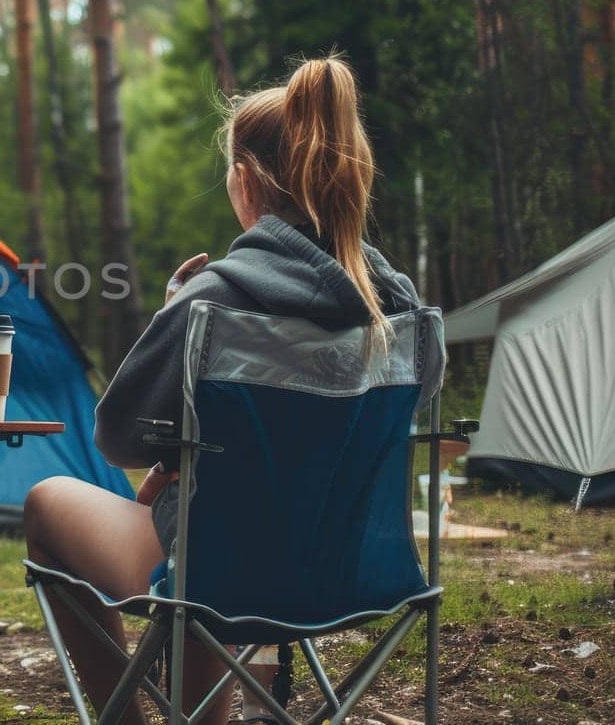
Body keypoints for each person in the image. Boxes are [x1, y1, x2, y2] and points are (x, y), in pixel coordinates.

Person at [23, 56, 421, 725]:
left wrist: (175, 319)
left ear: (245, 180)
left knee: (49, 504)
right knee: (212, 515)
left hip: (222, 575)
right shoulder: (397, 304)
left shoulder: (213, 302)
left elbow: (116, 434)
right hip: (353, 568)